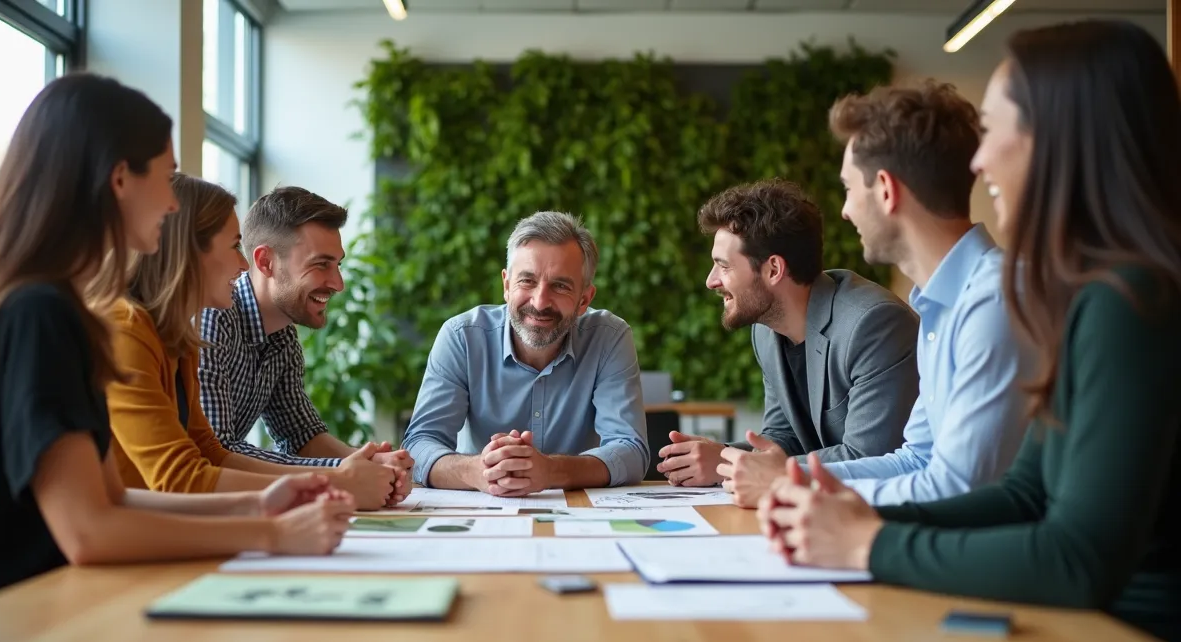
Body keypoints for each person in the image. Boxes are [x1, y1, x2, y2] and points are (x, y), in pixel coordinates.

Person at [756, 20, 1181, 642]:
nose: (979, 163)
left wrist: (868, 542)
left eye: (995, 129)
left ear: (1062, 138)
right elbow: (1023, 492)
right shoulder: (1094, 294)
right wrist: (856, 518)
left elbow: (1076, 559)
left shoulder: (1133, 300)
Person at [0, 73, 353, 619]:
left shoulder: (51, 307)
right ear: (119, 180)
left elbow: (109, 499)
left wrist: (259, 504)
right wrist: (272, 534)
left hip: (26, 604)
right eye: (165, 177)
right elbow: (88, 532)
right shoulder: (40, 314)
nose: (169, 202)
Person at [719, 82, 1029, 507]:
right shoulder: (942, 304)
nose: (844, 211)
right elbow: (914, 460)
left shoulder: (992, 302)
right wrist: (792, 477)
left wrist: (790, 485)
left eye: (849, 188)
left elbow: (958, 487)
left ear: (885, 189)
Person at [97, 173, 404, 511]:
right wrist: (337, 480)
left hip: (152, 524)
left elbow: (215, 450)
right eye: (232, 246)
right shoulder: (147, 327)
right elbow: (190, 472)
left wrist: (363, 467)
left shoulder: (177, 338)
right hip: (124, 532)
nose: (242, 264)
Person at [659, 179, 918, 491]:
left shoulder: (873, 325)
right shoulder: (766, 332)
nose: (710, 281)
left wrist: (727, 462)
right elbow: (784, 440)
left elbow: (868, 456)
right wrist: (717, 459)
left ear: (773, 270)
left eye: (723, 266)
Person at [403, 211, 649, 494]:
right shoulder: (462, 337)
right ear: (506, 285)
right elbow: (419, 445)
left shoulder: (609, 337)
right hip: (481, 511)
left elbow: (631, 451)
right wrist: (478, 471)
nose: (540, 301)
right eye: (527, 281)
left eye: (560, 285)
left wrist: (551, 471)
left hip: (580, 517)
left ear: (584, 299)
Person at [197, 186, 413, 481]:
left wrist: (371, 461)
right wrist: (342, 473)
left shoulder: (283, 337)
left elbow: (301, 437)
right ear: (265, 262)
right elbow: (215, 451)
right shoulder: (214, 316)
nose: (338, 283)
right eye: (321, 264)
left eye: (338, 265)